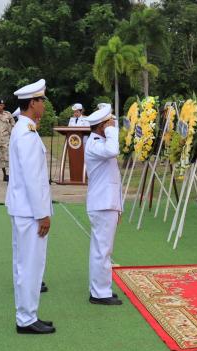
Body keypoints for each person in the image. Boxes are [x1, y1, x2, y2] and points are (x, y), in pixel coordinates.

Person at [5, 79, 55, 334]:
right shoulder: (26, 133)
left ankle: (28, 314)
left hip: (23, 209)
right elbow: (32, 178)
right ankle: (26, 318)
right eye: (42, 101)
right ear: (32, 103)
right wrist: (42, 214)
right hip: (29, 211)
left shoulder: (24, 130)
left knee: (25, 264)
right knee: (30, 265)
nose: (44, 105)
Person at [84, 103, 123, 306]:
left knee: (103, 249)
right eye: (110, 122)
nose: (114, 124)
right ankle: (99, 293)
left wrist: (119, 206)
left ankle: (101, 288)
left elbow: (114, 177)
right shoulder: (96, 144)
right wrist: (110, 130)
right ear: (101, 127)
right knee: (102, 250)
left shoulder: (99, 141)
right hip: (101, 204)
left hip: (107, 203)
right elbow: (113, 150)